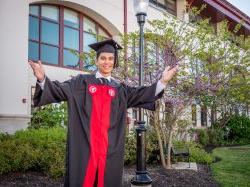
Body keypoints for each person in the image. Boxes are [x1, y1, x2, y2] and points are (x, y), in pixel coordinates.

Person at [28, 39, 178, 187]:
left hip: (110, 151)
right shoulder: (81, 83)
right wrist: (42, 78)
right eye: (103, 58)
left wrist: (162, 82)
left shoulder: (120, 89)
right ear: (97, 61)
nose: (107, 62)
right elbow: (58, 90)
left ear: (115, 61)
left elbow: (144, 94)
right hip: (84, 149)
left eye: (111, 58)